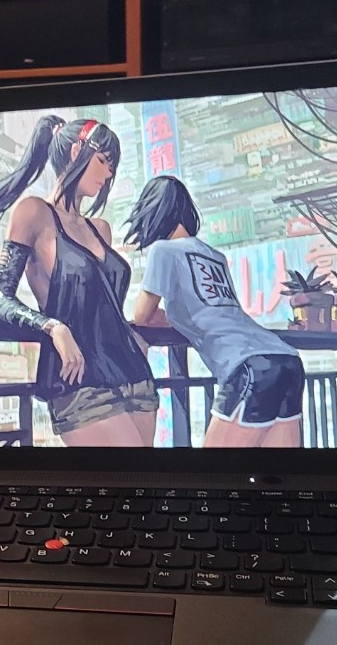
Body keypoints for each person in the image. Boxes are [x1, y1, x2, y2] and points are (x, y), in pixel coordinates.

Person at [0, 115, 158, 447]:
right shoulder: (34, 213)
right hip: (80, 382)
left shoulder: (100, 229)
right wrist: (53, 327)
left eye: (112, 165)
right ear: (76, 152)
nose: (109, 173)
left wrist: (130, 332)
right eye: (103, 161)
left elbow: (101, 305)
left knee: (144, 478)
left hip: (135, 375)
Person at [125, 175, 305, 448]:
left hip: (248, 367)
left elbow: (141, 317)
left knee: (213, 468)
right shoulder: (214, 257)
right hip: (286, 360)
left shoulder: (163, 251)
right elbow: (215, 309)